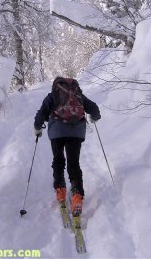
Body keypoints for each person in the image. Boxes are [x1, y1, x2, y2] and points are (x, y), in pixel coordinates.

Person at [34, 77, 101, 216]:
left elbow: (41, 114)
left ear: (56, 85)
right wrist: (94, 117)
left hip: (57, 131)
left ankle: (60, 191)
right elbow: (94, 108)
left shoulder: (52, 95)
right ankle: (76, 195)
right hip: (76, 132)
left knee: (58, 160)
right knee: (73, 163)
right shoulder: (78, 95)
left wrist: (37, 128)